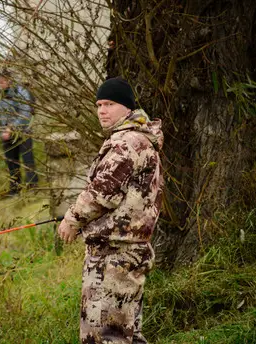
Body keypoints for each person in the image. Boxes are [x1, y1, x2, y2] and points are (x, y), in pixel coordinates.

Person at [57, 77, 164, 344]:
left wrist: (71, 219)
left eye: (110, 104)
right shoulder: (131, 139)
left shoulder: (127, 143)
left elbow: (102, 192)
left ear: (127, 108)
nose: (102, 110)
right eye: (99, 104)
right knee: (125, 334)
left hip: (116, 255)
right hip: (120, 251)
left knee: (105, 336)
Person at [0, 69, 39, 196]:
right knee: (11, 162)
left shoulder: (21, 92)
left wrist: (11, 127)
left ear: (9, 80)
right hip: (6, 134)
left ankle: (33, 187)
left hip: (23, 132)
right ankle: (15, 189)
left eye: (1, 82)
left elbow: (25, 113)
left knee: (27, 159)